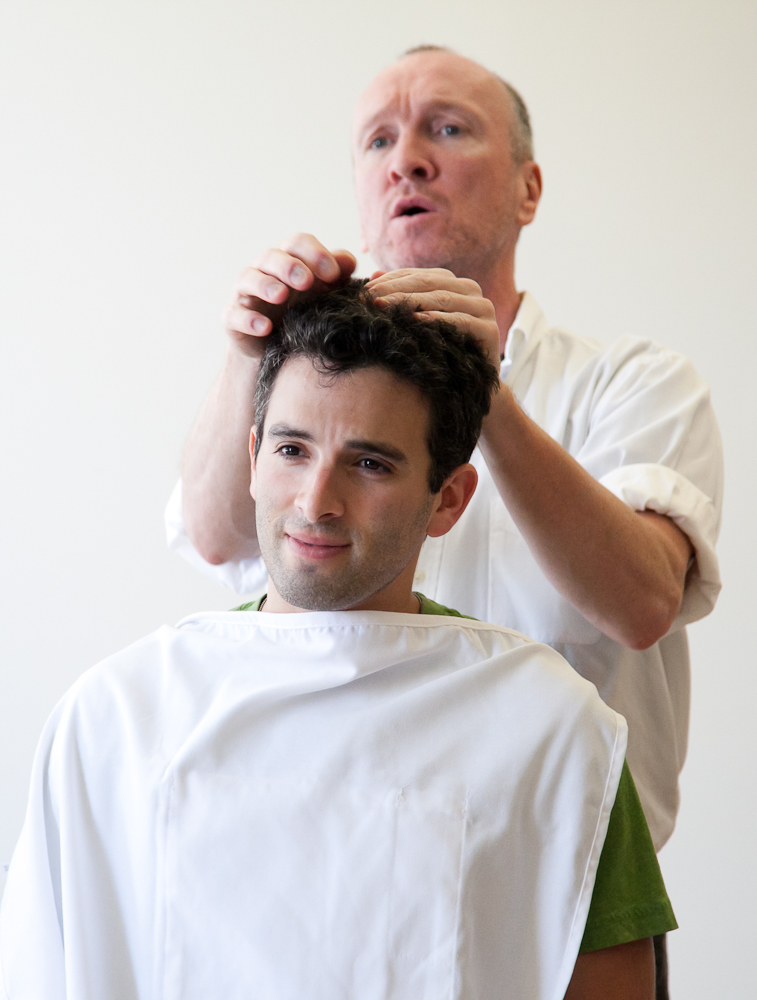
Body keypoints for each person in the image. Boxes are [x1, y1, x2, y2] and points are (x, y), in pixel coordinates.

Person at [0, 284, 674, 999]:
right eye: (293, 449)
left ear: (448, 498)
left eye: (370, 464)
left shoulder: (552, 729)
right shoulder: (117, 716)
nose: (316, 501)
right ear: (254, 456)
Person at [169, 48, 722, 861]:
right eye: (377, 141)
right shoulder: (296, 381)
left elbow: (640, 605)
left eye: (447, 129)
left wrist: (484, 393)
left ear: (528, 189)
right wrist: (250, 350)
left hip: (566, 889)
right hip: (321, 868)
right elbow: (218, 537)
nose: (407, 161)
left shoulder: (633, 382)